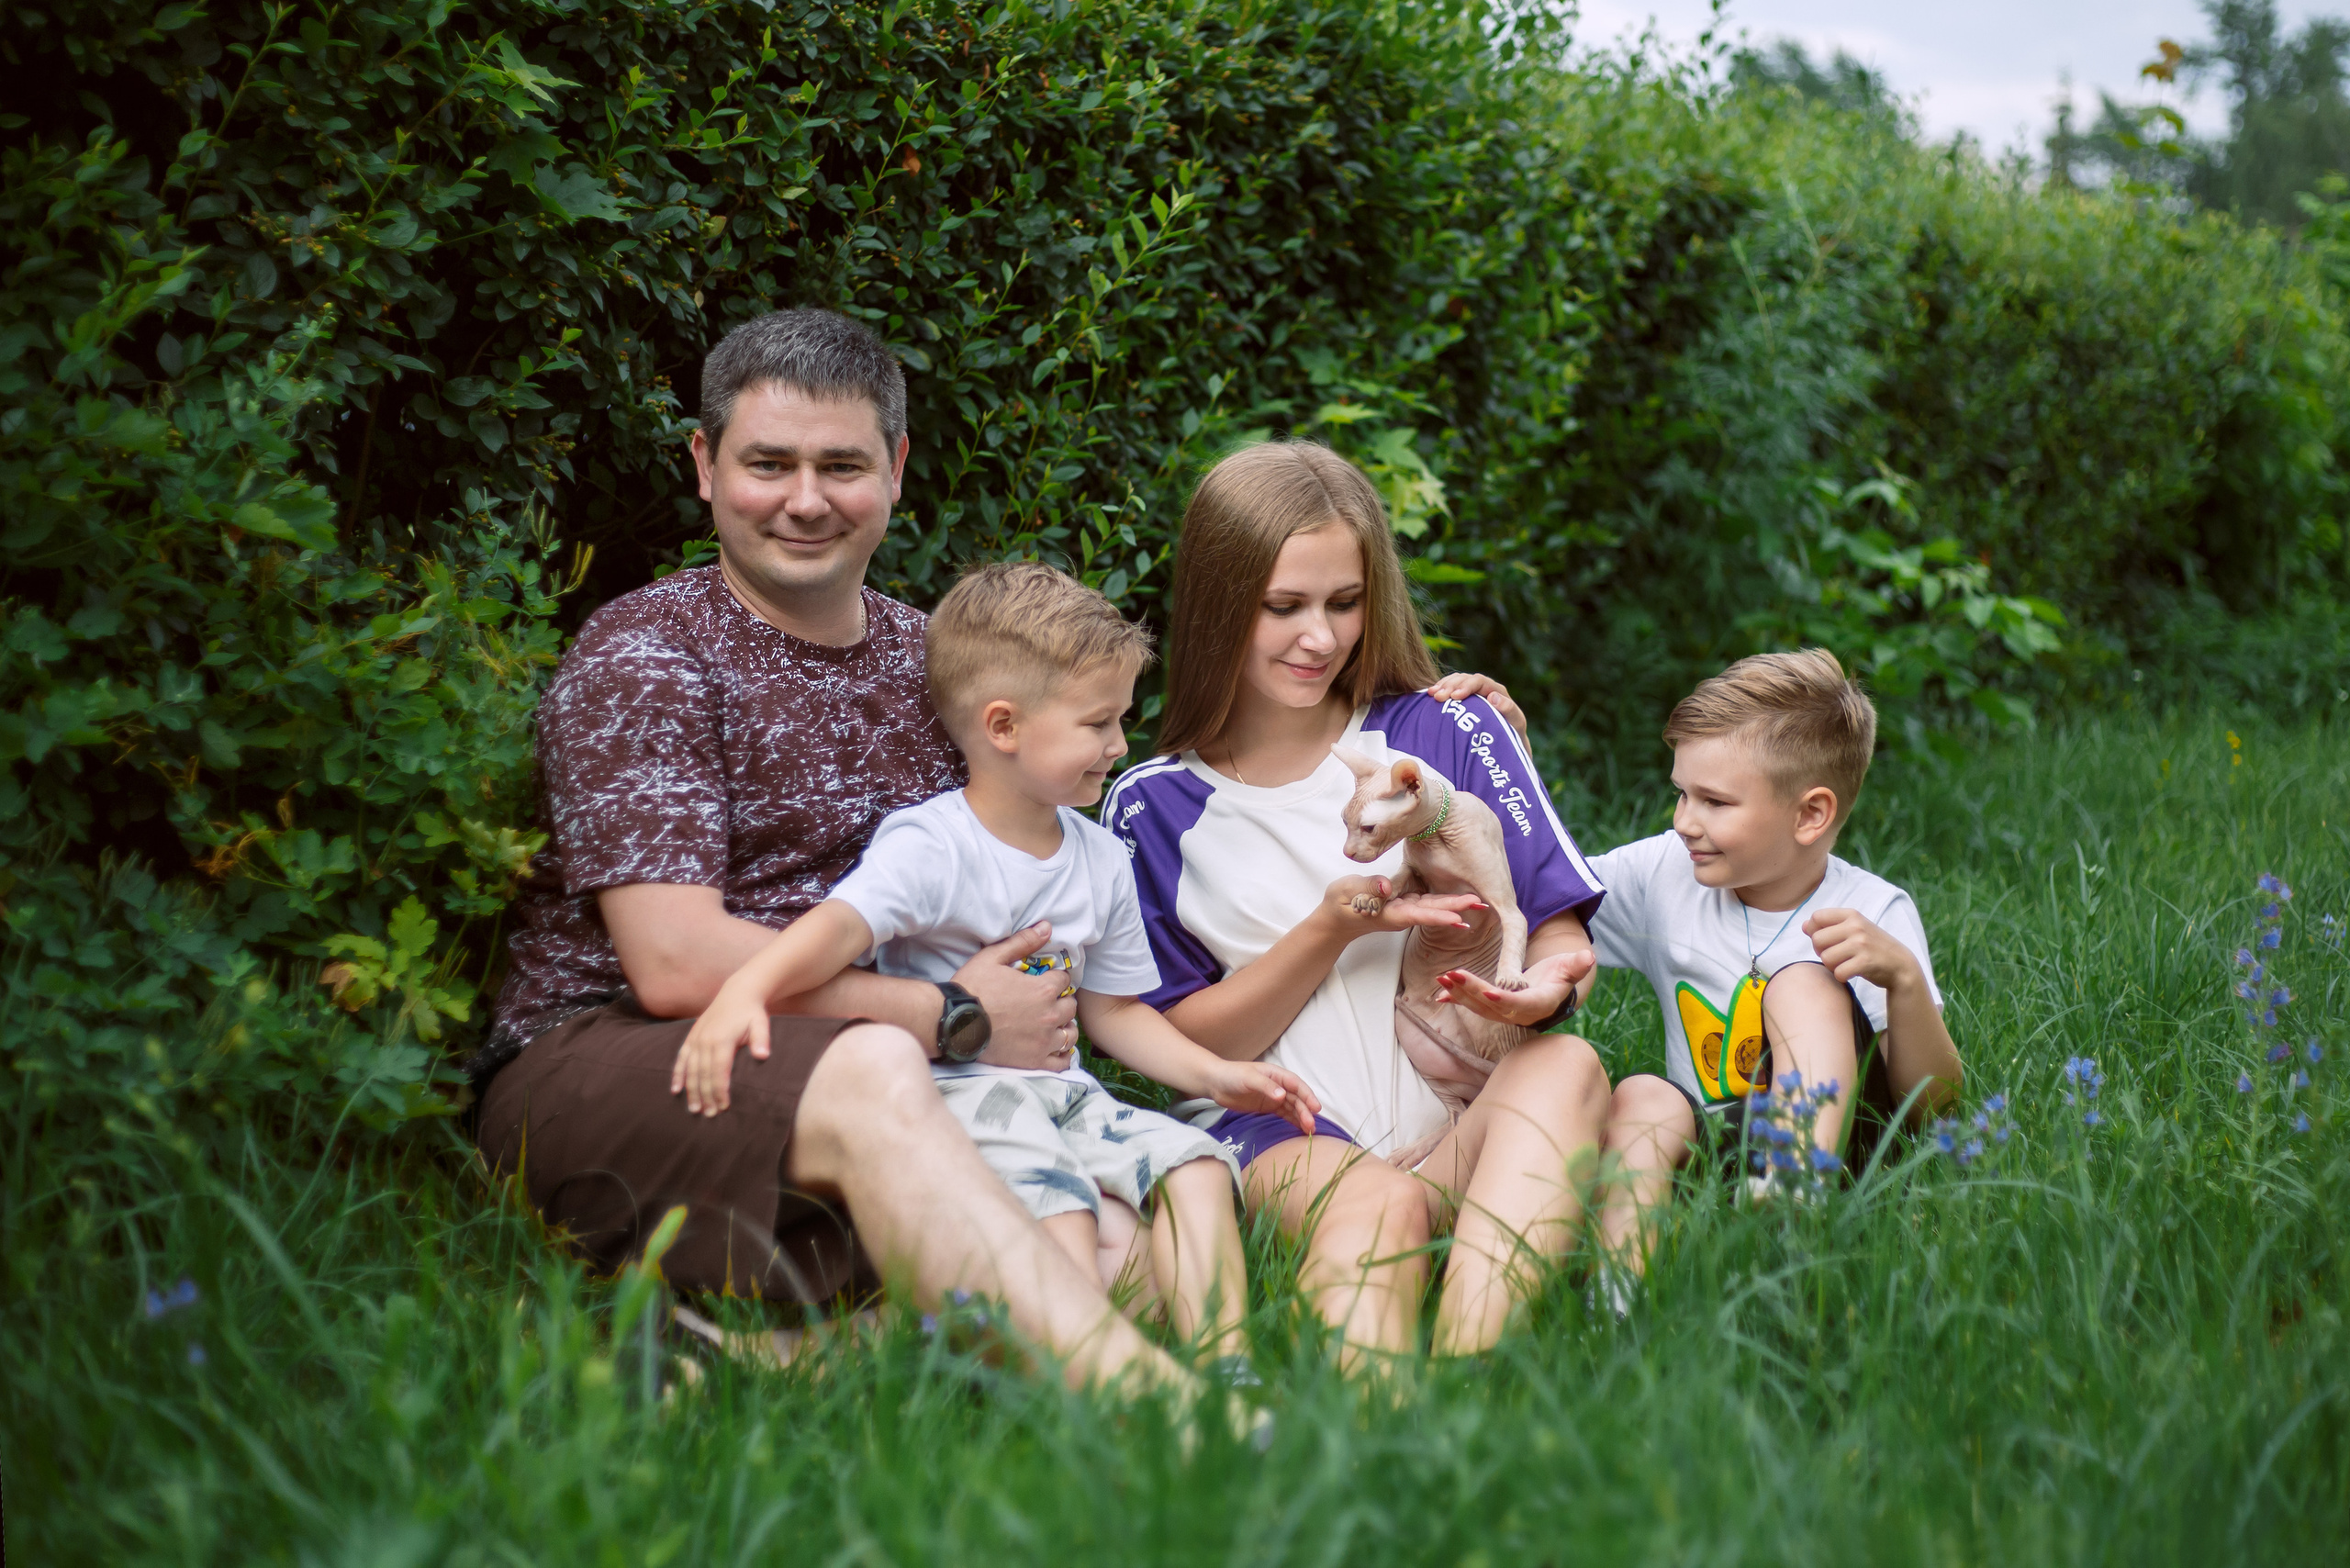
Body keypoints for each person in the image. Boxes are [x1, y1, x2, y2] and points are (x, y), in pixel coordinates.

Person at [471, 308, 1195, 1398]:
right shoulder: (646, 656)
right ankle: (1174, 1418)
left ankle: (748, 1364)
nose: (806, 499)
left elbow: (1085, 768)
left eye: (841, 465)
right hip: (621, 1063)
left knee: (1121, 1251)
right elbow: (670, 964)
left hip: (889, 1081)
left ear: (895, 472)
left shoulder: (937, 662)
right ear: (705, 466)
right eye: (768, 462)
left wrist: (1420, 702)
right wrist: (950, 1014)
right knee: (880, 1069)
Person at [674, 562, 1320, 1371]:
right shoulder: (933, 844)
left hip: (1066, 1097)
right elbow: (836, 927)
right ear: (1004, 726)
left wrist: (1216, 1076)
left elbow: (1114, 1012)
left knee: (1193, 1166)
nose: (1120, 745)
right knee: (1069, 1228)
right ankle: (1088, 1389)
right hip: (963, 1099)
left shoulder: (1098, 856)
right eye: (1097, 724)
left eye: (1120, 719)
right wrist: (748, 989)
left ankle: (1228, 1367)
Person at [1101, 441, 1613, 1362]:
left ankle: (1466, 1371)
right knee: (1383, 1205)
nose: (1322, 638)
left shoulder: (1444, 727)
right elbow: (1185, 1049)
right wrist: (1335, 926)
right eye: (1283, 606)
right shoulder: (1151, 804)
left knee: (1569, 1067)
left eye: (1344, 603)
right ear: (1218, 603)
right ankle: (1363, 1428)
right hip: (1281, 1134)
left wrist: (1545, 988)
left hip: (1464, 1125)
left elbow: (1553, 922)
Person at [1577, 649, 1964, 1292]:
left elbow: (1938, 1109)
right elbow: (1546, 884)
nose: (1684, 822)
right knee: (1643, 1095)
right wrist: (1508, 752)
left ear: (1810, 814)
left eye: (1715, 802)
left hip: (1842, 1161)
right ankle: (1614, 1304)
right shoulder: (1664, 872)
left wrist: (1903, 983)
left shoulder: (1873, 911)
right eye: (1681, 794)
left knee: (1804, 983)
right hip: (1711, 1159)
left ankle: (1789, 1228)